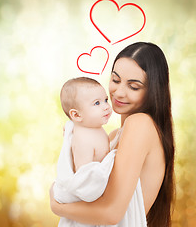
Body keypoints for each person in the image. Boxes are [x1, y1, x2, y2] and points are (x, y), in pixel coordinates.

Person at [50, 42, 175, 227]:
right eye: (115, 80)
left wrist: (57, 205)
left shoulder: (140, 124)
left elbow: (112, 213)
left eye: (133, 86)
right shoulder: (113, 135)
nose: (119, 92)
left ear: (153, 90)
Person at [54, 77, 118, 226]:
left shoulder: (94, 128)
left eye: (105, 100)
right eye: (97, 103)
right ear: (76, 115)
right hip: (85, 207)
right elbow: (85, 180)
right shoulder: (83, 139)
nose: (106, 107)